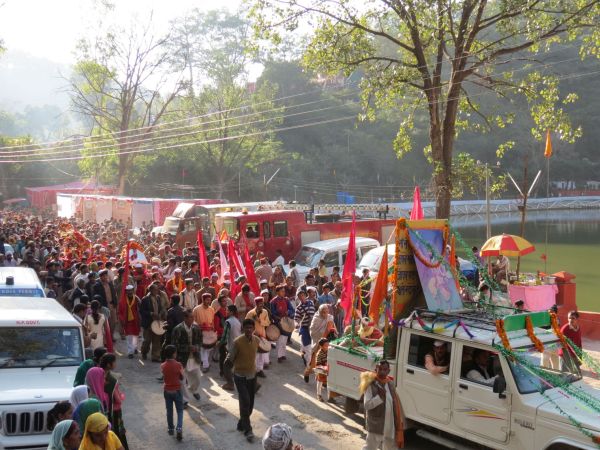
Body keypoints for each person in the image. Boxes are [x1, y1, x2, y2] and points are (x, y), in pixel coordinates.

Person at [226, 318, 260, 443]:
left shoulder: (257, 340)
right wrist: (229, 379)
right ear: (243, 329)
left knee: (250, 405)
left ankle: (241, 424)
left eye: (251, 327)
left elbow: (256, 353)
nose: (249, 330)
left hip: (252, 376)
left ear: (254, 329)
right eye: (246, 328)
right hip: (239, 376)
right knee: (245, 401)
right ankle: (248, 430)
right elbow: (229, 359)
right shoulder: (237, 342)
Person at [359, 360, 404, 450]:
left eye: (385, 369)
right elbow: (367, 405)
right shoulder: (371, 385)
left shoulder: (390, 384)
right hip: (376, 424)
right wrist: (379, 397)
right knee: (370, 448)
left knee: (390, 448)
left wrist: (397, 423)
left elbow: (395, 404)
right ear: (376, 369)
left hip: (390, 425)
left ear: (388, 371)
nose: (382, 371)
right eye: (380, 369)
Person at [171, 309, 203, 403]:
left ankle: (193, 389)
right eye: (191, 317)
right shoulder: (177, 329)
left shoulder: (196, 328)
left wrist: (197, 347)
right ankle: (184, 400)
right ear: (185, 318)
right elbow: (174, 345)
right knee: (182, 380)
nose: (193, 319)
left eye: (193, 317)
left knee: (198, 377)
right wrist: (187, 348)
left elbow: (200, 341)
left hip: (194, 358)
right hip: (182, 359)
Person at [100, 354, 128, 449]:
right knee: (117, 433)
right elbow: (118, 399)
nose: (116, 364)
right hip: (114, 411)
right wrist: (122, 396)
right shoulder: (111, 380)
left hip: (104, 410)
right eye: (114, 362)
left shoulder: (98, 375)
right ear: (109, 364)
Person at [305, 304, 337, 382]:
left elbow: (331, 329)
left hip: (327, 343)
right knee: (314, 364)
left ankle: (323, 381)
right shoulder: (316, 319)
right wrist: (322, 339)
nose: (325, 314)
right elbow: (313, 332)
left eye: (326, 312)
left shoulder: (330, 318)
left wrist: (326, 336)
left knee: (326, 363)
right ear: (320, 312)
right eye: (323, 312)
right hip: (318, 343)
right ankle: (307, 373)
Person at [161, 345, 184, 441]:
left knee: (169, 411)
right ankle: (179, 428)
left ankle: (170, 428)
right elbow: (182, 377)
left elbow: (164, 376)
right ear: (174, 354)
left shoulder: (163, 365)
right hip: (177, 390)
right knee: (180, 410)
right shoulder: (179, 365)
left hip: (167, 390)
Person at [246, 296, 271, 377]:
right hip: (253, 336)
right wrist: (252, 333)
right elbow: (246, 324)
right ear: (256, 304)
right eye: (260, 303)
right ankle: (252, 370)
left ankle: (259, 370)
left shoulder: (265, 312)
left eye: (262, 303)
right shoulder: (250, 313)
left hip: (262, 335)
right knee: (254, 355)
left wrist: (260, 321)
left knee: (261, 355)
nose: (262, 305)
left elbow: (268, 323)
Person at [140, 283, 165, 362]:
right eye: (155, 290)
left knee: (156, 340)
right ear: (150, 290)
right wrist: (151, 313)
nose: (156, 291)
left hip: (157, 322)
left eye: (157, 289)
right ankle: (144, 352)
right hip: (148, 323)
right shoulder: (145, 299)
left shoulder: (158, 298)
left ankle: (155, 356)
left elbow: (161, 308)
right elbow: (142, 311)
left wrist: (160, 313)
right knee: (147, 340)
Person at [270, 285, 294, 363]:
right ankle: (279, 356)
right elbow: (272, 313)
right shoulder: (273, 301)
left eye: (284, 291)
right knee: (280, 340)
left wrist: (288, 312)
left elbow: (292, 309)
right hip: (278, 323)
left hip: (286, 322)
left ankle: (283, 354)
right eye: (282, 291)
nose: (284, 292)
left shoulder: (286, 300)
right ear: (277, 292)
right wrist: (278, 313)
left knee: (284, 339)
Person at [192, 292, 216, 372]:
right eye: (207, 300)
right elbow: (193, 321)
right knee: (203, 348)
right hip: (200, 331)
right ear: (203, 300)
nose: (209, 301)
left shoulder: (211, 309)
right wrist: (199, 326)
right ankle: (206, 365)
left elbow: (212, 321)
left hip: (209, 332)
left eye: (209, 300)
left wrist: (212, 329)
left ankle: (203, 361)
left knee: (208, 349)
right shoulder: (196, 309)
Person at [294, 290, 315, 376]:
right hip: (305, 328)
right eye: (300, 296)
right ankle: (309, 367)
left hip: (313, 328)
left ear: (305, 296)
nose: (301, 297)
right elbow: (296, 319)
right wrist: (296, 324)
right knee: (308, 348)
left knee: (312, 347)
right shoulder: (299, 308)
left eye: (303, 295)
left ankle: (304, 354)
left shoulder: (311, 302)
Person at [221, 304, 242, 391]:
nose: (226, 312)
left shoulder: (228, 322)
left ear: (231, 312)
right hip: (239, 345)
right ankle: (254, 385)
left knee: (226, 365)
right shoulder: (237, 321)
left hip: (233, 347)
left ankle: (230, 384)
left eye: (227, 310)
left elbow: (225, 336)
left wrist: (220, 343)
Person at [118, 285, 140, 358]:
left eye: (131, 290)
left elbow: (140, 308)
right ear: (126, 292)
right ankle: (130, 352)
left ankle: (135, 347)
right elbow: (119, 312)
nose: (130, 292)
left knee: (136, 335)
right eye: (128, 291)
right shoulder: (122, 301)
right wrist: (122, 320)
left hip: (136, 320)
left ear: (133, 290)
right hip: (127, 321)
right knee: (129, 336)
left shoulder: (136, 299)